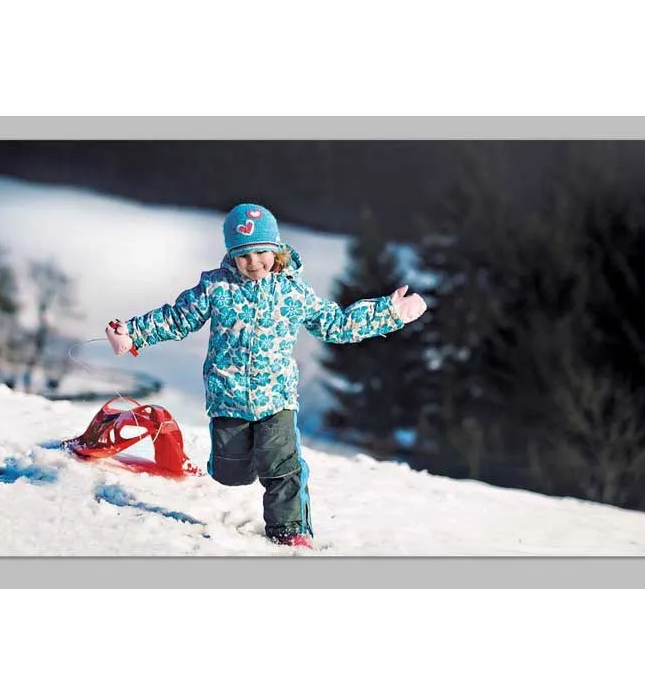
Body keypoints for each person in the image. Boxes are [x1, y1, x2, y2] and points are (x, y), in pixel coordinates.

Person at [104, 202, 427, 549]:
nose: (254, 262)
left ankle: (290, 530)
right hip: (227, 397)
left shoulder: (293, 292)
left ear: (275, 249)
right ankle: (250, 461)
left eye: (261, 252)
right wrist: (133, 334)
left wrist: (389, 313)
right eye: (244, 255)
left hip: (276, 398)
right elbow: (177, 318)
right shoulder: (216, 287)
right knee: (230, 474)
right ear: (232, 255)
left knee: (281, 465)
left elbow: (335, 324)